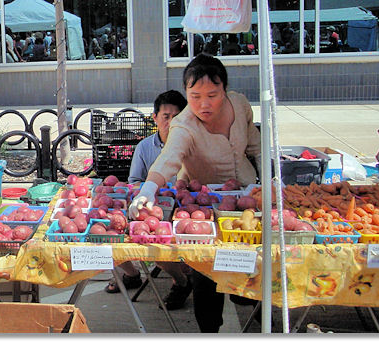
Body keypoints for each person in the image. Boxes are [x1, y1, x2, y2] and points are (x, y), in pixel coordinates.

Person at [128, 53, 262, 332]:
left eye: (212, 95)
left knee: (251, 272)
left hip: (248, 201)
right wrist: (149, 188)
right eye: (195, 95)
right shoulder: (184, 124)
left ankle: (260, 318)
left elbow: (256, 146)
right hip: (202, 207)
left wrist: (270, 177)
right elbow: (169, 158)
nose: (203, 103)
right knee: (207, 275)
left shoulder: (240, 105)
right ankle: (209, 331)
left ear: (225, 90)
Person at [105, 91, 193, 310]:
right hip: (148, 209)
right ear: (154, 118)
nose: (171, 122)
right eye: (166, 116)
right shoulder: (144, 147)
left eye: (176, 116)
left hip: (181, 210)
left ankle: (181, 282)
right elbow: (134, 181)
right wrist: (149, 191)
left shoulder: (191, 146)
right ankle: (132, 274)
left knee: (160, 245)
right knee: (107, 230)